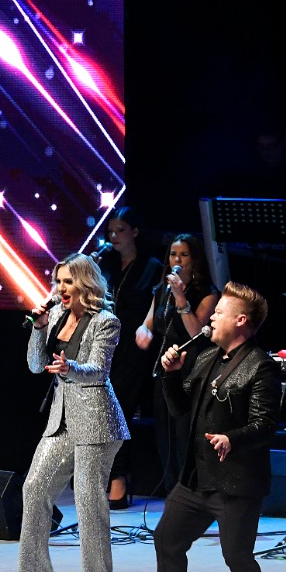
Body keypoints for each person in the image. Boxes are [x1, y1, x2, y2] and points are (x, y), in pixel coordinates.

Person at [120, 281, 283, 572]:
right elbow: (180, 409)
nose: (211, 317)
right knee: (167, 539)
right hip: (197, 478)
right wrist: (171, 375)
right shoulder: (208, 357)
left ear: (241, 321)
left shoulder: (261, 366)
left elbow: (266, 424)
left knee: (237, 556)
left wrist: (231, 439)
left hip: (235, 484)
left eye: (220, 312)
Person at [13, 253, 130, 572]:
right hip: (61, 420)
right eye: (58, 281)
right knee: (34, 489)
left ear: (85, 284)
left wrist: (70, 367)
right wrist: (38, 328)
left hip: (97, 421)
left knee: (89, 505)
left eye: (68, 282)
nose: (61, 288)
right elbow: (35, 366)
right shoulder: (55, 317)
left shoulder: (106, 322)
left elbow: (98, 371)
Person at [135, 234, 220, 495]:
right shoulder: (161, 290)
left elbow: (197, 333)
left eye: (184, 255)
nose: (177, 260)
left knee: (186, 431)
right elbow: (148, 322)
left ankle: (191, 492)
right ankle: (173, 492)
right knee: (165, 432)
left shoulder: (207, 293)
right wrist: (142, 331)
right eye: (173, 254)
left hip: (193, 365)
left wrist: (181, 298)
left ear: (195, 260)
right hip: (167, 365)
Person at [96, 206, 162, 508]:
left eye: (120, 230)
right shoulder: (106, 264)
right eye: (110, 231)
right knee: (100, 409)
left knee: (118, 408)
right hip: (105, 345)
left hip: (134, 348)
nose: (114, 236)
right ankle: (109, 473)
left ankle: (119, 476)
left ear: (135, 232)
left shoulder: (151, 266)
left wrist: (147, 327)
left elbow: (155, 304)